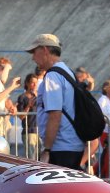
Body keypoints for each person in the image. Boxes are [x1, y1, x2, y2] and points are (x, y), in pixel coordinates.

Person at [30, 34, 84, 170]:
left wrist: (47, 149)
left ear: (45, 50)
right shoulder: (67, 71)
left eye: (34, 52)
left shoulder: (52, 76)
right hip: (71, 144)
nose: (33, 58)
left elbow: (55, 115)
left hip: (60, 146)